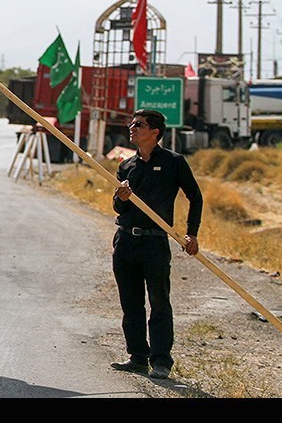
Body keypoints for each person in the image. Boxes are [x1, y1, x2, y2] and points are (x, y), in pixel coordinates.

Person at [110, 109, 203, 380]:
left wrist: (192, 233)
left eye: (139, 125)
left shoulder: (174, 162)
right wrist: (122, 198)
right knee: (131, 303)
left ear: (155, 132)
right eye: (132, 124)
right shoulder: (127, 165)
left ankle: (160, 361)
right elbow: (117, 207)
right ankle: (137, 357)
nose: (132, 128)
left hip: (155, 242)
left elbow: (195, 197)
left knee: (159, 302)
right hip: (126, 240)